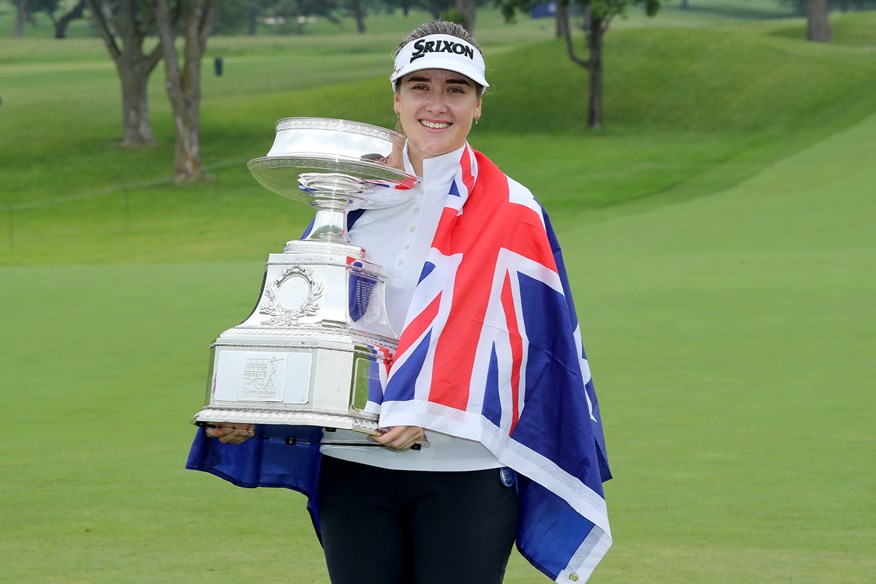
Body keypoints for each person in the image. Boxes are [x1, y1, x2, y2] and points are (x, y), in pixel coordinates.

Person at [189, 20, 612, 584]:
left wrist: (428, 406)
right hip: (354, 463)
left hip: (465, 469)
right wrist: (256, 410)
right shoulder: (349, 201)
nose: (436, 104)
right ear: (396, 97)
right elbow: (317, 328)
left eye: (455, 89)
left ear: (478, 105)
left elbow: (530, 348)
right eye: (420, 86)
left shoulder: (514, 210)